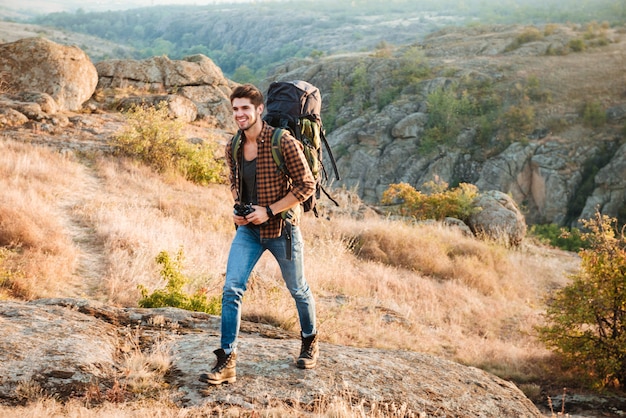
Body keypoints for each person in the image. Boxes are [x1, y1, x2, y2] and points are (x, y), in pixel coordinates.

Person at [199, 83, 319, 386]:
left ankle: (309, 339)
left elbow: (306, 187)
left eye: (245, 109)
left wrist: (270, 210)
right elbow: (234, 181)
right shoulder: (234, 146)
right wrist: (237, 209)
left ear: (259, 110)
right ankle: (227, 359)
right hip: (248, 231)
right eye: (236, 109)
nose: (239, 114)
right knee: (231, 289)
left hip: (283, 229)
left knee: (298, 289)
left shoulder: (283, 142)